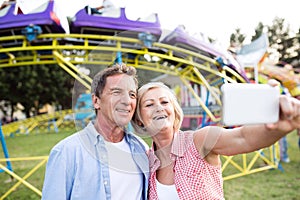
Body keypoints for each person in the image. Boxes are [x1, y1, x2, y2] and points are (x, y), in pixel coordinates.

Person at [131, 81, 300, 200]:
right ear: (139, 119)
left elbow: (243, 138)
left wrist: (277, 125)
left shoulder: (200, 141)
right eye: (149, 104)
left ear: (174, 111)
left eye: (164, 102)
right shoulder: (145, 161)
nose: (159, 107)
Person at [42, 63, 149, 200]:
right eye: (117, 92)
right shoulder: (66, 152)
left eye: (132, 94)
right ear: (96, 101)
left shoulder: (141, 149)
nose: (127, 101)